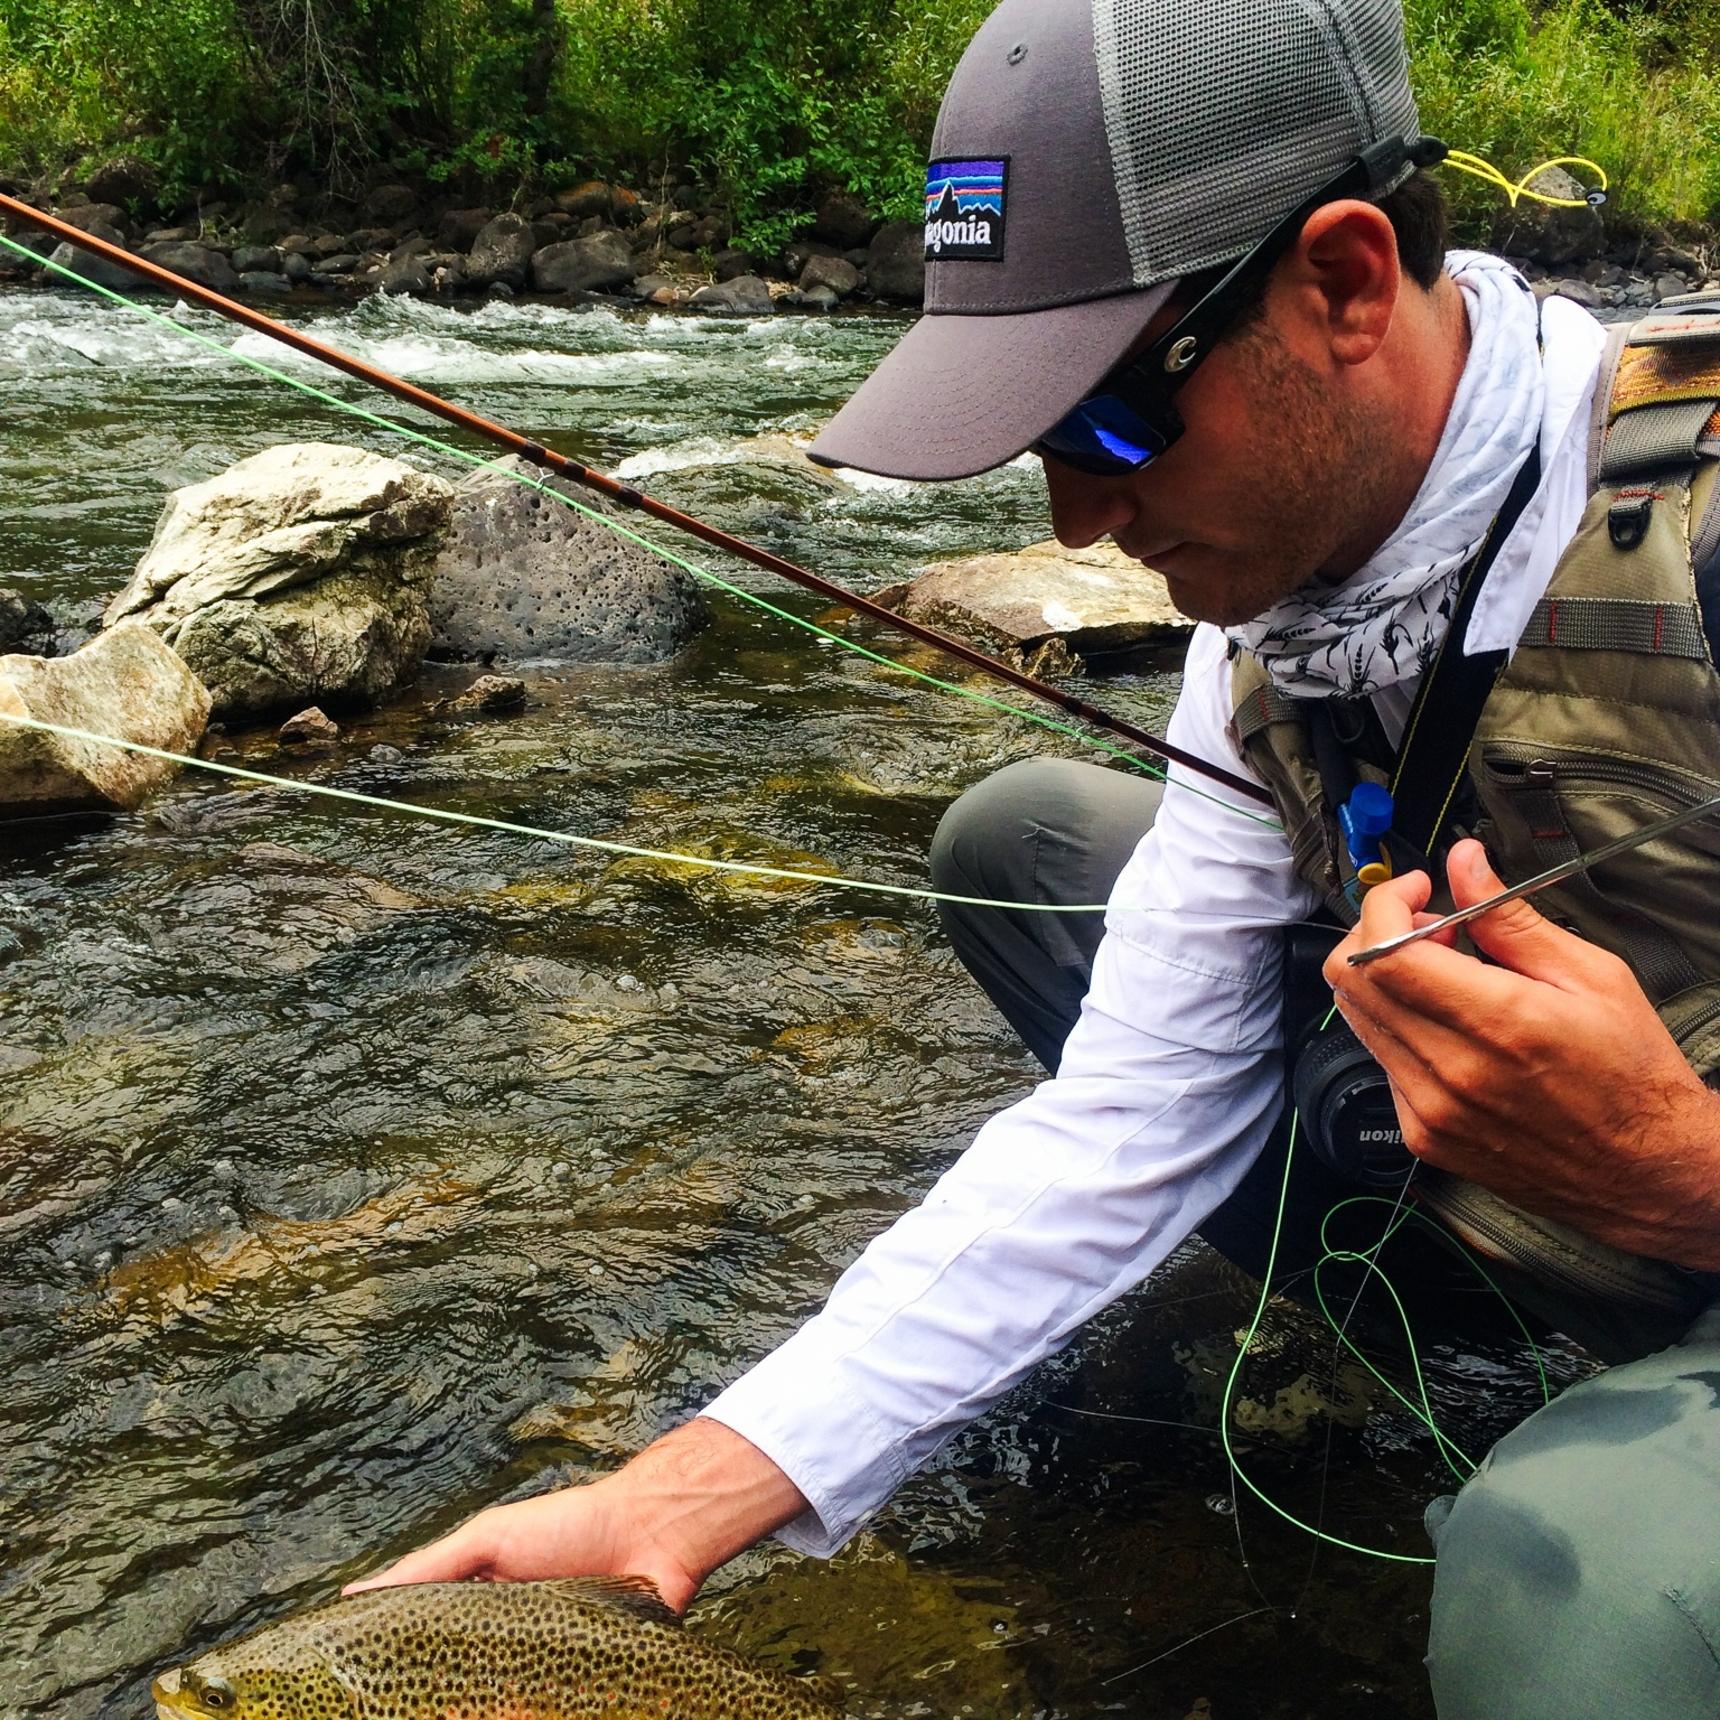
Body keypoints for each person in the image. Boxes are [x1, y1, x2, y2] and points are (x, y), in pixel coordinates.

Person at [351, 0, 1720, 1711]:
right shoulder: (1279, 627)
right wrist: (678, 1491)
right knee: (1031, 843)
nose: (1076, 522)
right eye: (1036, 442)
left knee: (1577, 1587)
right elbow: (1133, 1104)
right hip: (1588, 1210)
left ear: (1351, 282)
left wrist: (1682, 1170)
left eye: (1113, 426)